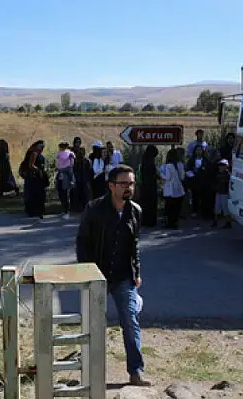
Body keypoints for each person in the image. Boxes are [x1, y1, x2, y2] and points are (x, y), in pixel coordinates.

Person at [76, 164, 149, 386]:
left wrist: (136, 271)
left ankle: (136, 371)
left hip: (123, 277)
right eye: (124, 183)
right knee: (93, 323)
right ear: (111, 186)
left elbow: (134, 244)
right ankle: (89, 371)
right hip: (97, 275)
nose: (129, 187)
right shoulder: (94, 209)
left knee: (130, 320)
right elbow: (83, 242)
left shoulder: (135, 211)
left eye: (132, 183)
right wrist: (86, 272)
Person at [19, 140, 48, 218]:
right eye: (40, 146)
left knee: (37, 194)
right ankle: (35, 211)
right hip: (34, 177)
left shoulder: (37, 153)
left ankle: (38, 211)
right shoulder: (34, 153)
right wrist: (39, 170)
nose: (42, 148)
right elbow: (31, 165)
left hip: (36, 177)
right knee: (35, 194)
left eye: (43, 146)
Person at [161, 148, 185, 229]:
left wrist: (161, 174)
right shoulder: (180, 164)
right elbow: (182, 177)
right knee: (177, 208)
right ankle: (176, 223)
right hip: (179, 189)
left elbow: (167, 178)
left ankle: (170, 223)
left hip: (170, 190)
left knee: (170, 208)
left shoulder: (168, 166)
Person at [139, 145, 160, 227]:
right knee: (151, 203)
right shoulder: (151, 162)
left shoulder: (144, 160)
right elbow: (153, 174)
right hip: (151, 186)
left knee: (145, 203)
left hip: (144, 186)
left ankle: (145, 220)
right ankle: (151, 221)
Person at [56, 141, 76, 218]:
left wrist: (61, 167)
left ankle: (67, 211)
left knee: (65, 193)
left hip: (65, 170)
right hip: (63, 171)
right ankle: (65, 210)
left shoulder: (68, 153)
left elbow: (72, 162)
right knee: (62, 193)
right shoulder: (63, 153)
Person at [212, 159, 232, 228]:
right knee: (216, 207)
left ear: (226, 166)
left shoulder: (228, 175)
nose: (221, 167)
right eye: (220, 165)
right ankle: (215, 221)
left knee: (225, 208)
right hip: (218, 192)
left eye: (223, 165)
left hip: (225, 193)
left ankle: (228, 222)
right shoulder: (217, 174)